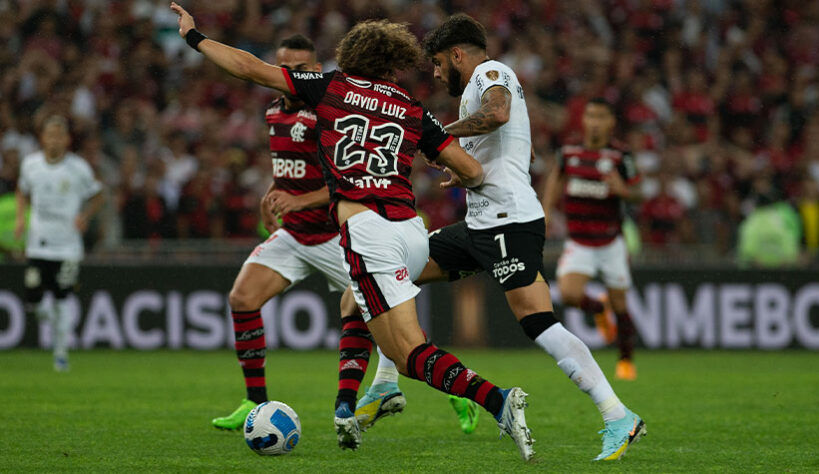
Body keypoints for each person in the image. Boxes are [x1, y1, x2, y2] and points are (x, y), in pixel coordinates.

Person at [171, 3, 535, 461]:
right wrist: (452, 165)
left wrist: (195, 37)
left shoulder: (331, 87)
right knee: (356, 305)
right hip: (412, 231)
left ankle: (498, 400)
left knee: (408, 354)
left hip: (368, 230)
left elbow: (251, 69)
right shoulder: (409, 106)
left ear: (352, 55)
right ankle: (350, 404)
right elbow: (472, 169)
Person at [415, 14, 645, 460]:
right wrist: (458, 166)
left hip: (507, 221)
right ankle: (399, 384)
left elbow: (498, 115)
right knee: (397, 272)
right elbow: (521, 143)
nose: (438, 73)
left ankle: (618, 415)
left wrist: (438, 138)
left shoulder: (489, 73)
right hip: (483, 221)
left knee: (538, 323)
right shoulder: (485, 85)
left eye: (440, 64)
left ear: (458, 54)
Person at [209, 35, 408, 434]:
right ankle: (255, 400)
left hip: (337, 235)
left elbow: (349, 179)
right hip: (295, 237)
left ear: (316, 70)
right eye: (286, 69)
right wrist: (273, 196)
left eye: (301, 70)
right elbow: (289, 171)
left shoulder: (329, 115)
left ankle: (443, 389)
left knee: (388, 320)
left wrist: (300, 201)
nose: (292, 76)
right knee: (242, 298)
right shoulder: (273, 113)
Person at [542, 98, 643, 381]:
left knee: (621, 305)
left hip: (611, 241)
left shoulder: (621, 156)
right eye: (590, 116)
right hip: (579, 240)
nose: (595, 122)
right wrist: (547, 210)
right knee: (570, 294)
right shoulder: (570, 151)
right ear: (584, 121)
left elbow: (639, 192)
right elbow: (555, 178)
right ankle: (598, 309)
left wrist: (623, 189)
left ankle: (625, 360)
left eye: (601, 116)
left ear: (611, 122)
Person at [15, 115, 104, 371]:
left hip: (67, 246)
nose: (54, 140)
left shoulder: (78, 168)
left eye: (59, 136)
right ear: (42, 138)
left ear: (66, 139)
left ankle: (61, 352)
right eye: (49, 135)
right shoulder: (31, 165)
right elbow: (22, 190)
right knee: (35, 300)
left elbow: (98, 195)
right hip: (38, 243)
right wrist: (21, 219)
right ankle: (52, 328)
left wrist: (84, 216)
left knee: (62, 298)